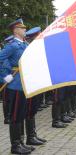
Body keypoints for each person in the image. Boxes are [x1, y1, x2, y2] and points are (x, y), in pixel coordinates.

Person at [0, 18, 32, 154]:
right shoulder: (12, 45)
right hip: (15, 84)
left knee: (20, 114)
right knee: (14, 115)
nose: (25, 30)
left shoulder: (24, 45)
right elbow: (1, 59)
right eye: (22, 28)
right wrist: (4, 75)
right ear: (16, 30)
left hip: (24, 83)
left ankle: (20, 142)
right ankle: (15, 146)